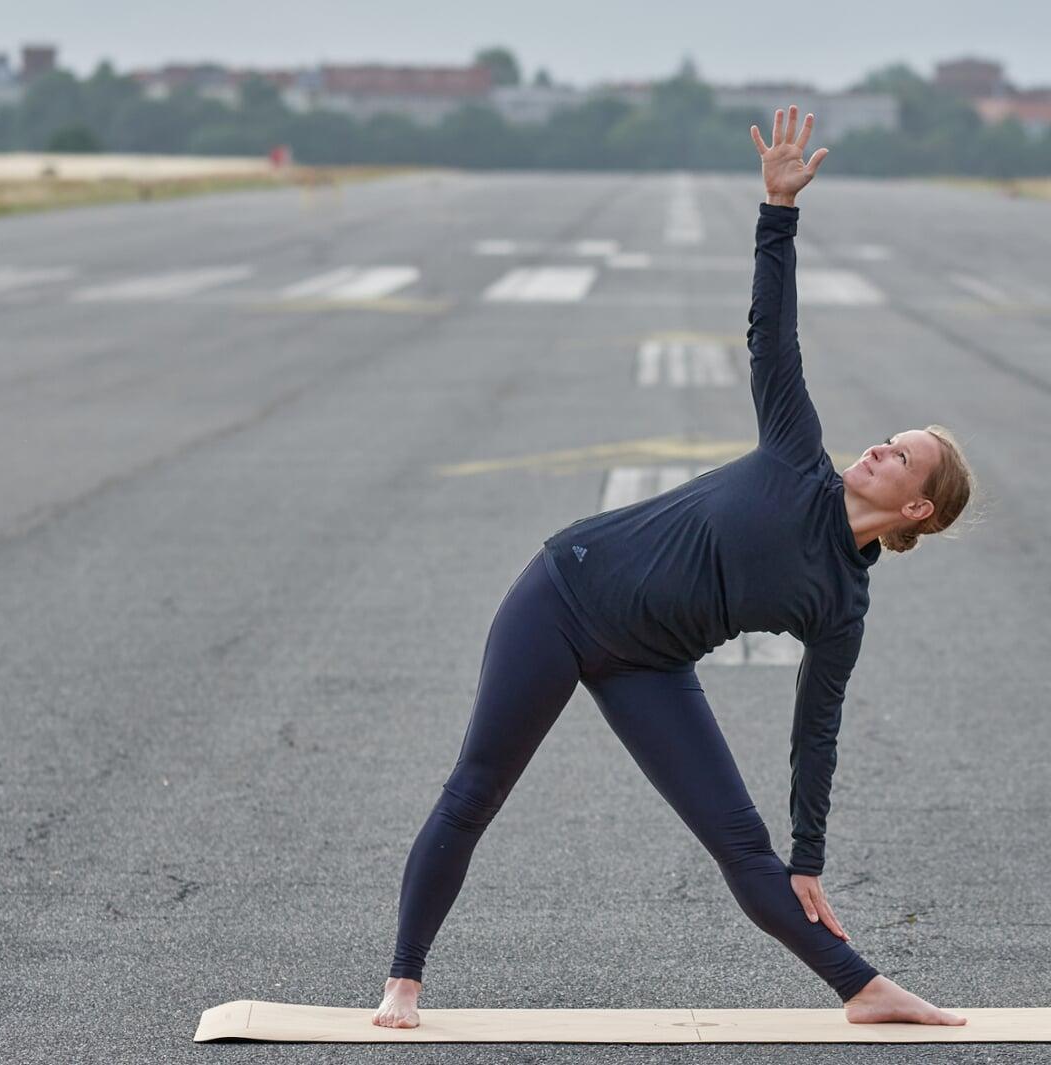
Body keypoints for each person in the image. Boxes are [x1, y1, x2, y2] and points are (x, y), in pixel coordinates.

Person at [374, 105, 976, 1029]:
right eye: (887, 440)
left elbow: (818, 732)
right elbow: (774, 335)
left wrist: (808, 855)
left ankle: (862, 988)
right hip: (566, 594)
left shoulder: (843, 603)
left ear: (917, 508)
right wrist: (778, 212)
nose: (878, 449)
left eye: (901, 457)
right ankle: (403, 983)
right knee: (476, 788)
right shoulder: (794, 454)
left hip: (650, 663)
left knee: (744, 845)